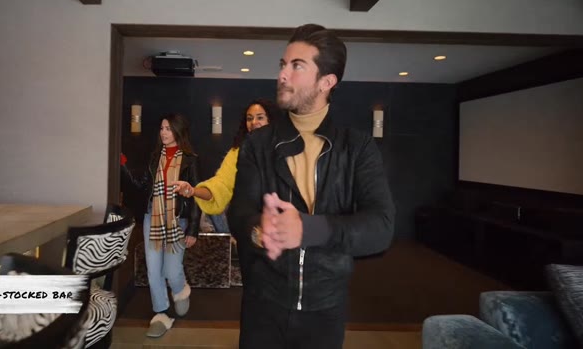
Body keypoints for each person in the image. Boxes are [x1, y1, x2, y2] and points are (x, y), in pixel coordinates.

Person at [227, 24, 396, 348]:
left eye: (297, 66)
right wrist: (260, 230)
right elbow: (239, 213)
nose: (282, 74)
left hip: (326, 310)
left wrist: (309, 229)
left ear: (326, 82)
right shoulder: (257, 144)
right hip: (263, 306)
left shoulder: (357, 147)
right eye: (283, 64)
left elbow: (381, 228)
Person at [121, 113, 201, 338]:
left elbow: (196, 195)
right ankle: (161, 312)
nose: (164, 132)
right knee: (153, 269)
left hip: (178, 219)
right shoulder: (155, 157)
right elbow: (141, 186)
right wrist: (122, 168)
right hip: (153, 217)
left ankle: (180, 289)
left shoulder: (190, 159)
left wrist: (193, 228)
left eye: (168, 128)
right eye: (162, 128)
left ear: (178, 130)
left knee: (171, 271)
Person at [169, 99, 277, 233]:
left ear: (271, 121)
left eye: (260, 117)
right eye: (249, 118)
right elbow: (220, 187)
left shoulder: (284, 150)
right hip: (248, 229)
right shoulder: (237, 153)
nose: (254, 122)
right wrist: (193, 191)